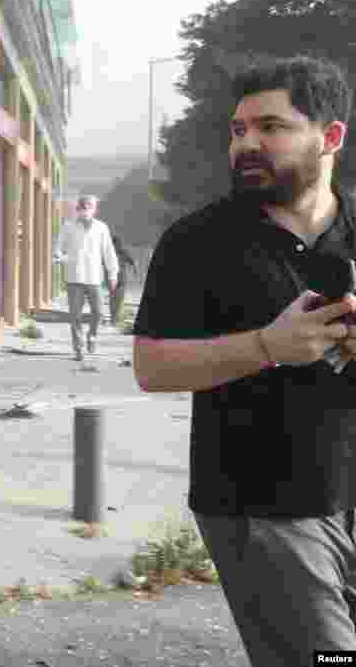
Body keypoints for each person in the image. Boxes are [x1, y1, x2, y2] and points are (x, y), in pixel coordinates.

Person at [132, 55, 356, 666]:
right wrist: (266, 348)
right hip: (263, 504)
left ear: (329, 136)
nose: (248, 143)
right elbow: (152, 367)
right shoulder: (199, 241)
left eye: (271, 127)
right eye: (238, 130)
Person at [54, 195, 118, 361]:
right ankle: (78, 349)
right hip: (74, 277)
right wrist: (61, 257)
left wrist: (113, 274)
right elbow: (59, 248)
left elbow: (108, 252)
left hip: (94, 277)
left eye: (89, 206)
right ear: (78, 208)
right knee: (75, 315)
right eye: (82, 206)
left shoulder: (101, 228)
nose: (85, 209)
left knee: (98, 313)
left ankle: (92, 337)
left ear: (95, 209)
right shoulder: (68, 226)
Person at [105, 232, 138, 326]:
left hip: (117, 279)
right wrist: (136, 271)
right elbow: (133, 262)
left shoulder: (121, 252)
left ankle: (114, 318)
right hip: (116, 278)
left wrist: (136, 270)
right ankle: (114, 318)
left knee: (116, 299)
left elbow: (133, 262)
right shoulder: (115, 252)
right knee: (116, 298)